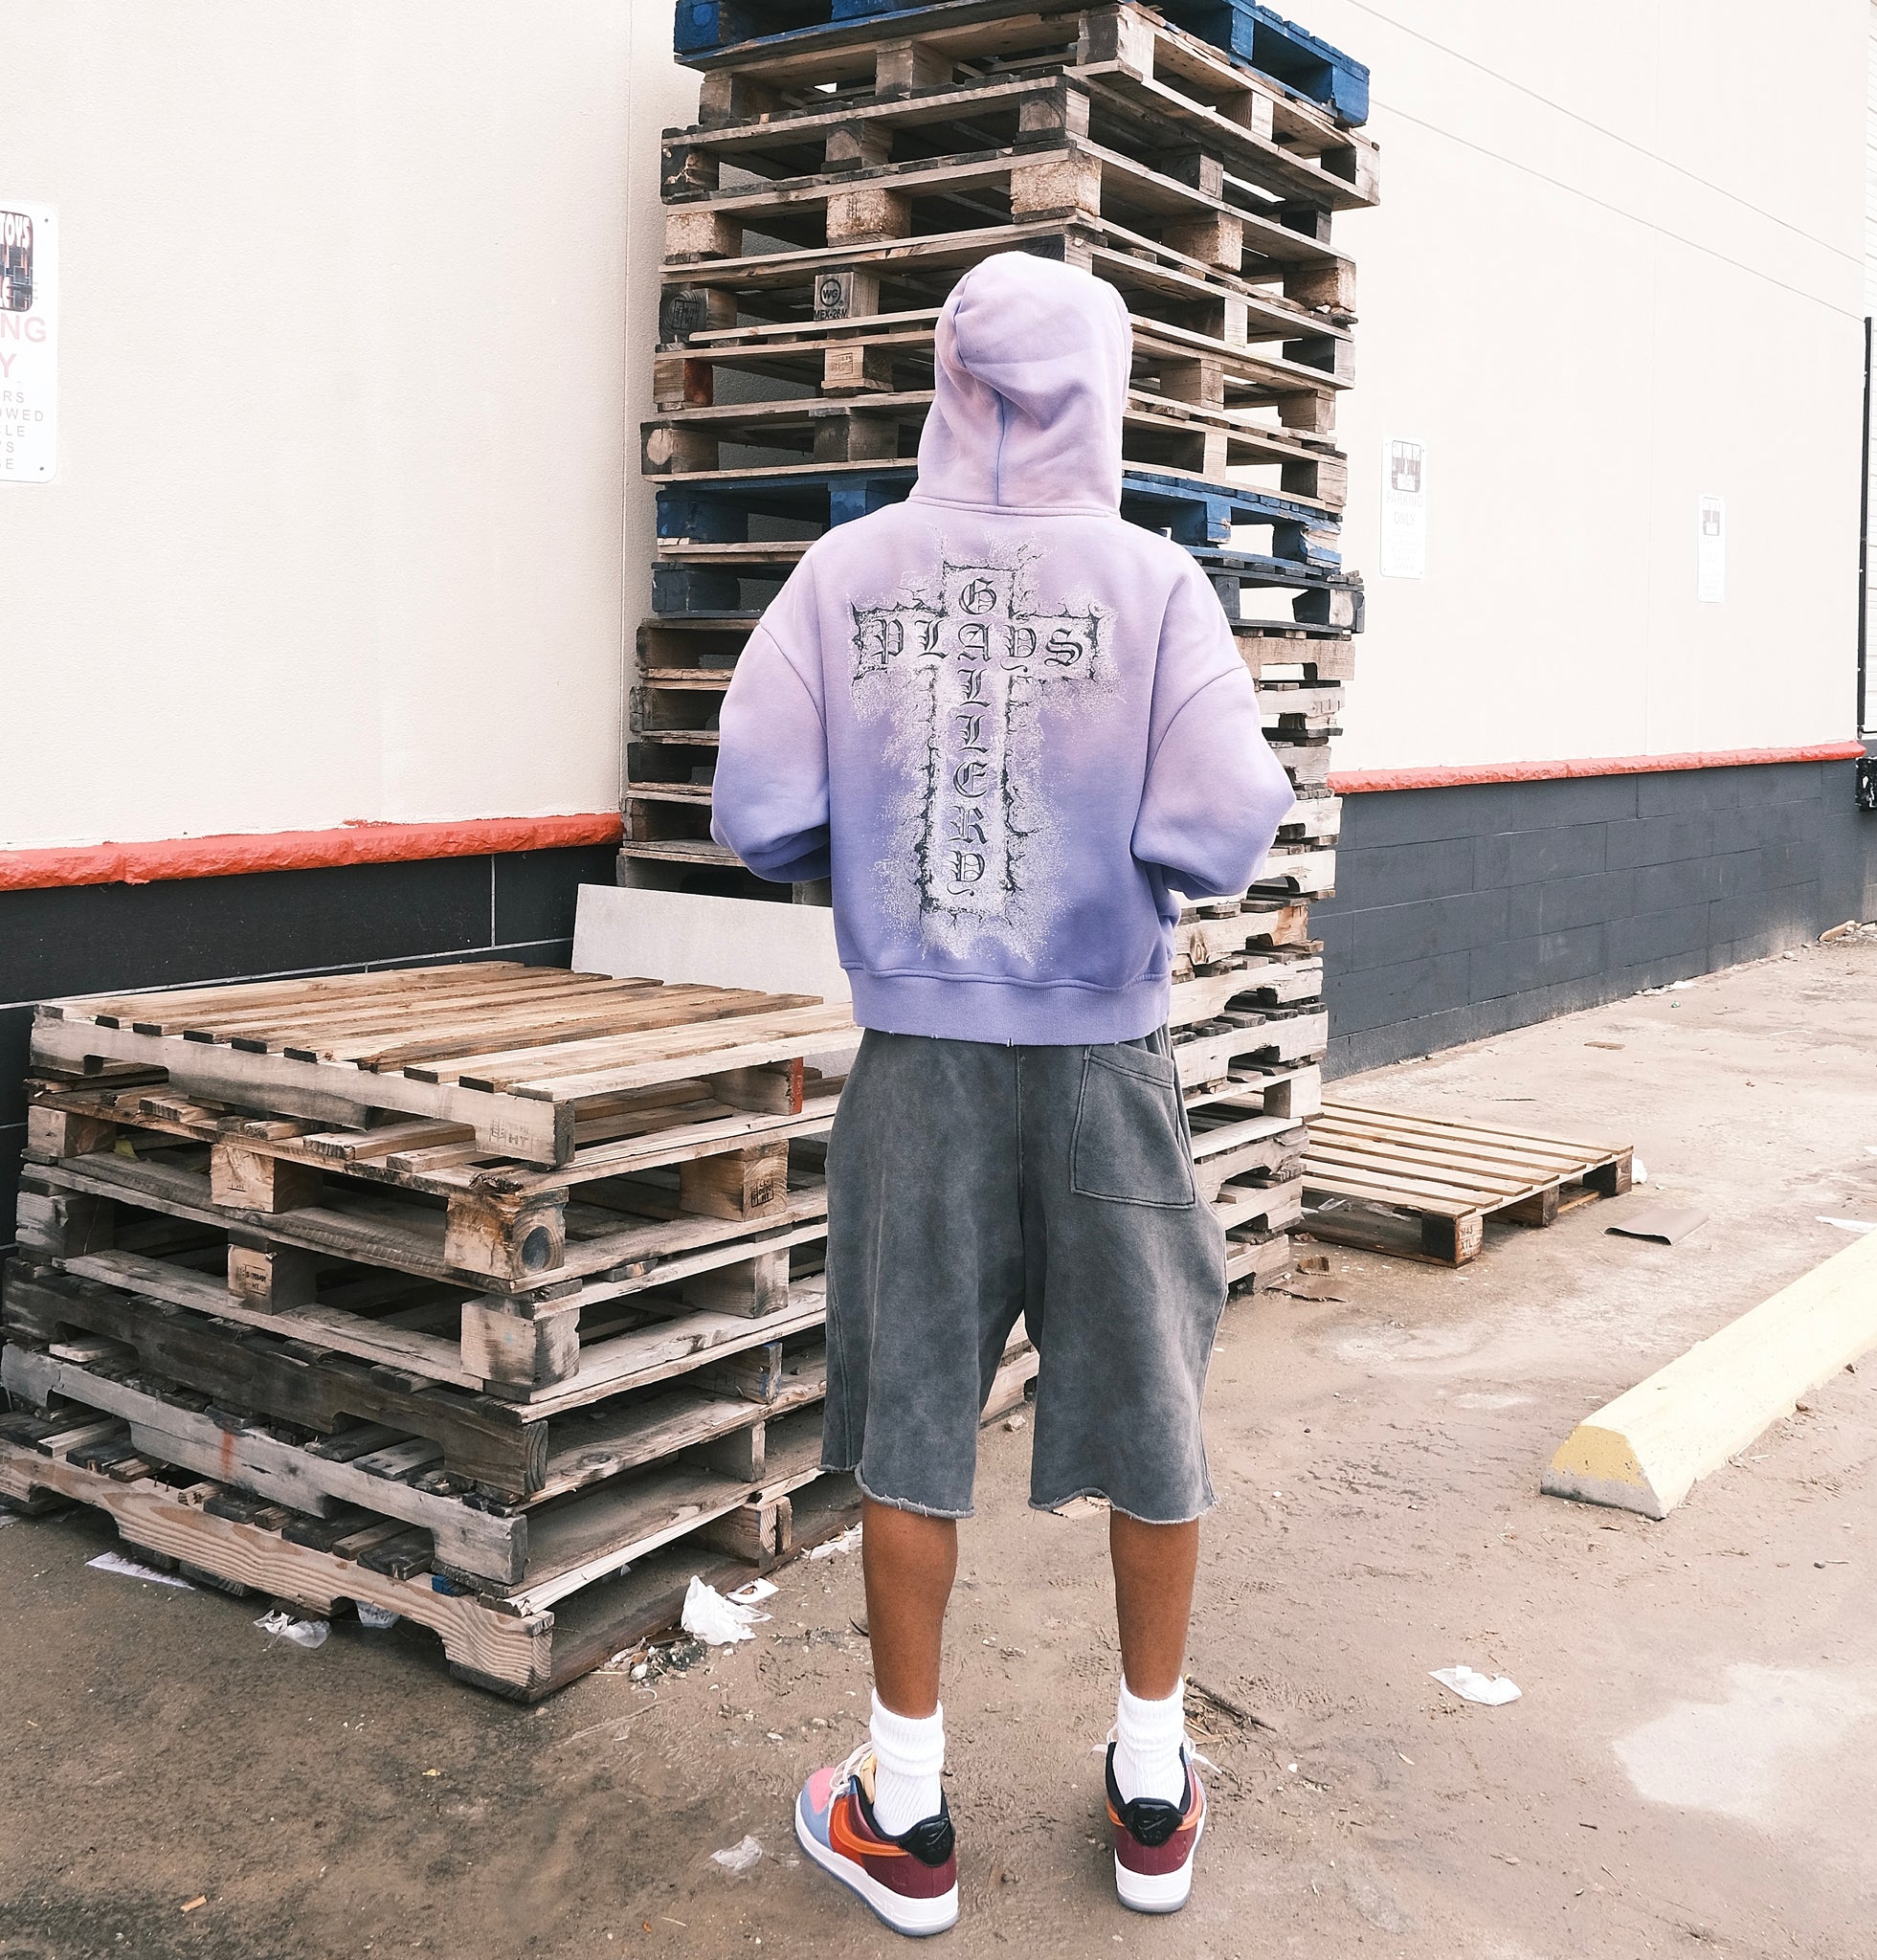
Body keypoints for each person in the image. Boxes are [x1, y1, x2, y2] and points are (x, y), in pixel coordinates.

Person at [709, 250, 1294, 1937]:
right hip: (1105, 1057)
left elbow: (758, 808)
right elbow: (1224, 819)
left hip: (920, 1069)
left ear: (946, 382)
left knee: (907, 1422)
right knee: (1154, 1411)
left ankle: (903, 1810)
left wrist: (878, 882)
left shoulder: (843, 573)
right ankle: (1152, 1789)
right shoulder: (1154, 583)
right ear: (1102, 389)